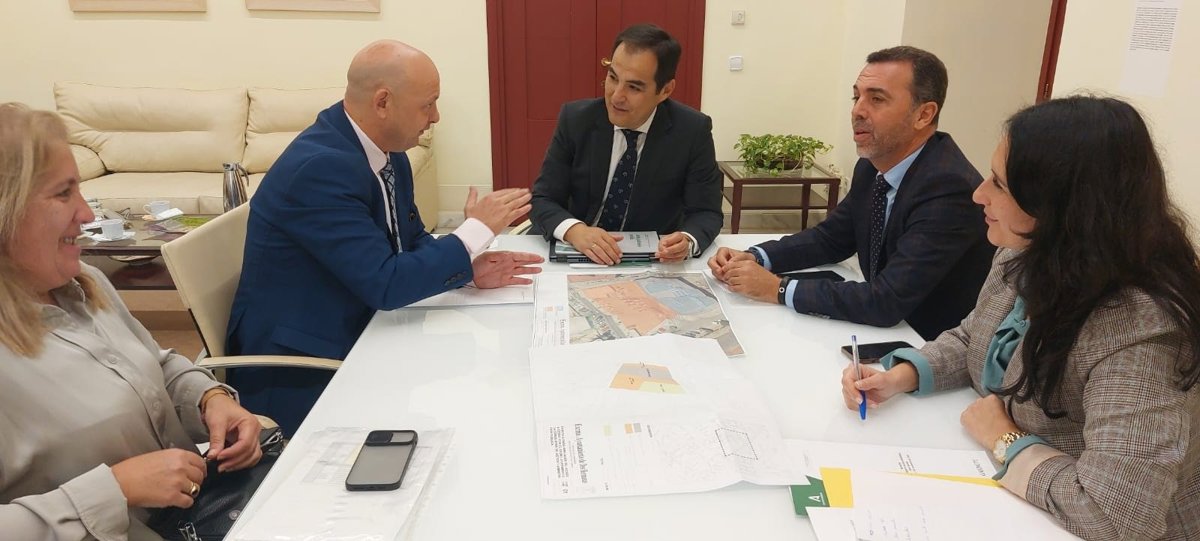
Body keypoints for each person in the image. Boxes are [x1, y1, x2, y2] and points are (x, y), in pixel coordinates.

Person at [841, 96, 1200, 540]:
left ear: (1060, 207)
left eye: (999, 184)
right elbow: (975, 336)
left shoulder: (1140, 331)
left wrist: (1005, 440)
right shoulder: (1024, 254)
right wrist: (902, 374)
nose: (978, 194)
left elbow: (1118, 517)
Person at [227, 40, 544, 435]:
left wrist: (467, 270)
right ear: (382, 103)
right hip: (303, 367)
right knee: (475, 400)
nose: (436, 117)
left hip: (367, 327)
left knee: (488, 382)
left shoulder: (388, 153)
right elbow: (386, 283)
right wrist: (474, 232)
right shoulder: (320, 169)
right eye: (428, 105)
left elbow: (410, 241)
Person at [0, 103, 264, 539]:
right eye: (63, 194)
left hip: (201, 516)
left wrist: (211, 399)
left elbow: (154, 364)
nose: (87, 214)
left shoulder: (86, 283)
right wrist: (114, 491)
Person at [708, 46, 993, 340]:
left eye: (877, 99)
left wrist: (777, 288)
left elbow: (887, 300)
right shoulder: (872, 165)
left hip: (927, 344)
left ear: (924, 114)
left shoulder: (948, 187)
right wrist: (755, 257)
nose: (858, 111)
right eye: (857, 97)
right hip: (881, 330)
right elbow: (832, 238)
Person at [529, 23, 723, 265]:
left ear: (665, 90)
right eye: (613, 78)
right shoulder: (576, 119)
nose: (616, 96)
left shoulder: (692, 130)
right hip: (575, 252)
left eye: (633, 87)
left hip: (648, 261)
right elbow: (543, 199)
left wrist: (687, 240)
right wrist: (575, 231)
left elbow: (706, 211)